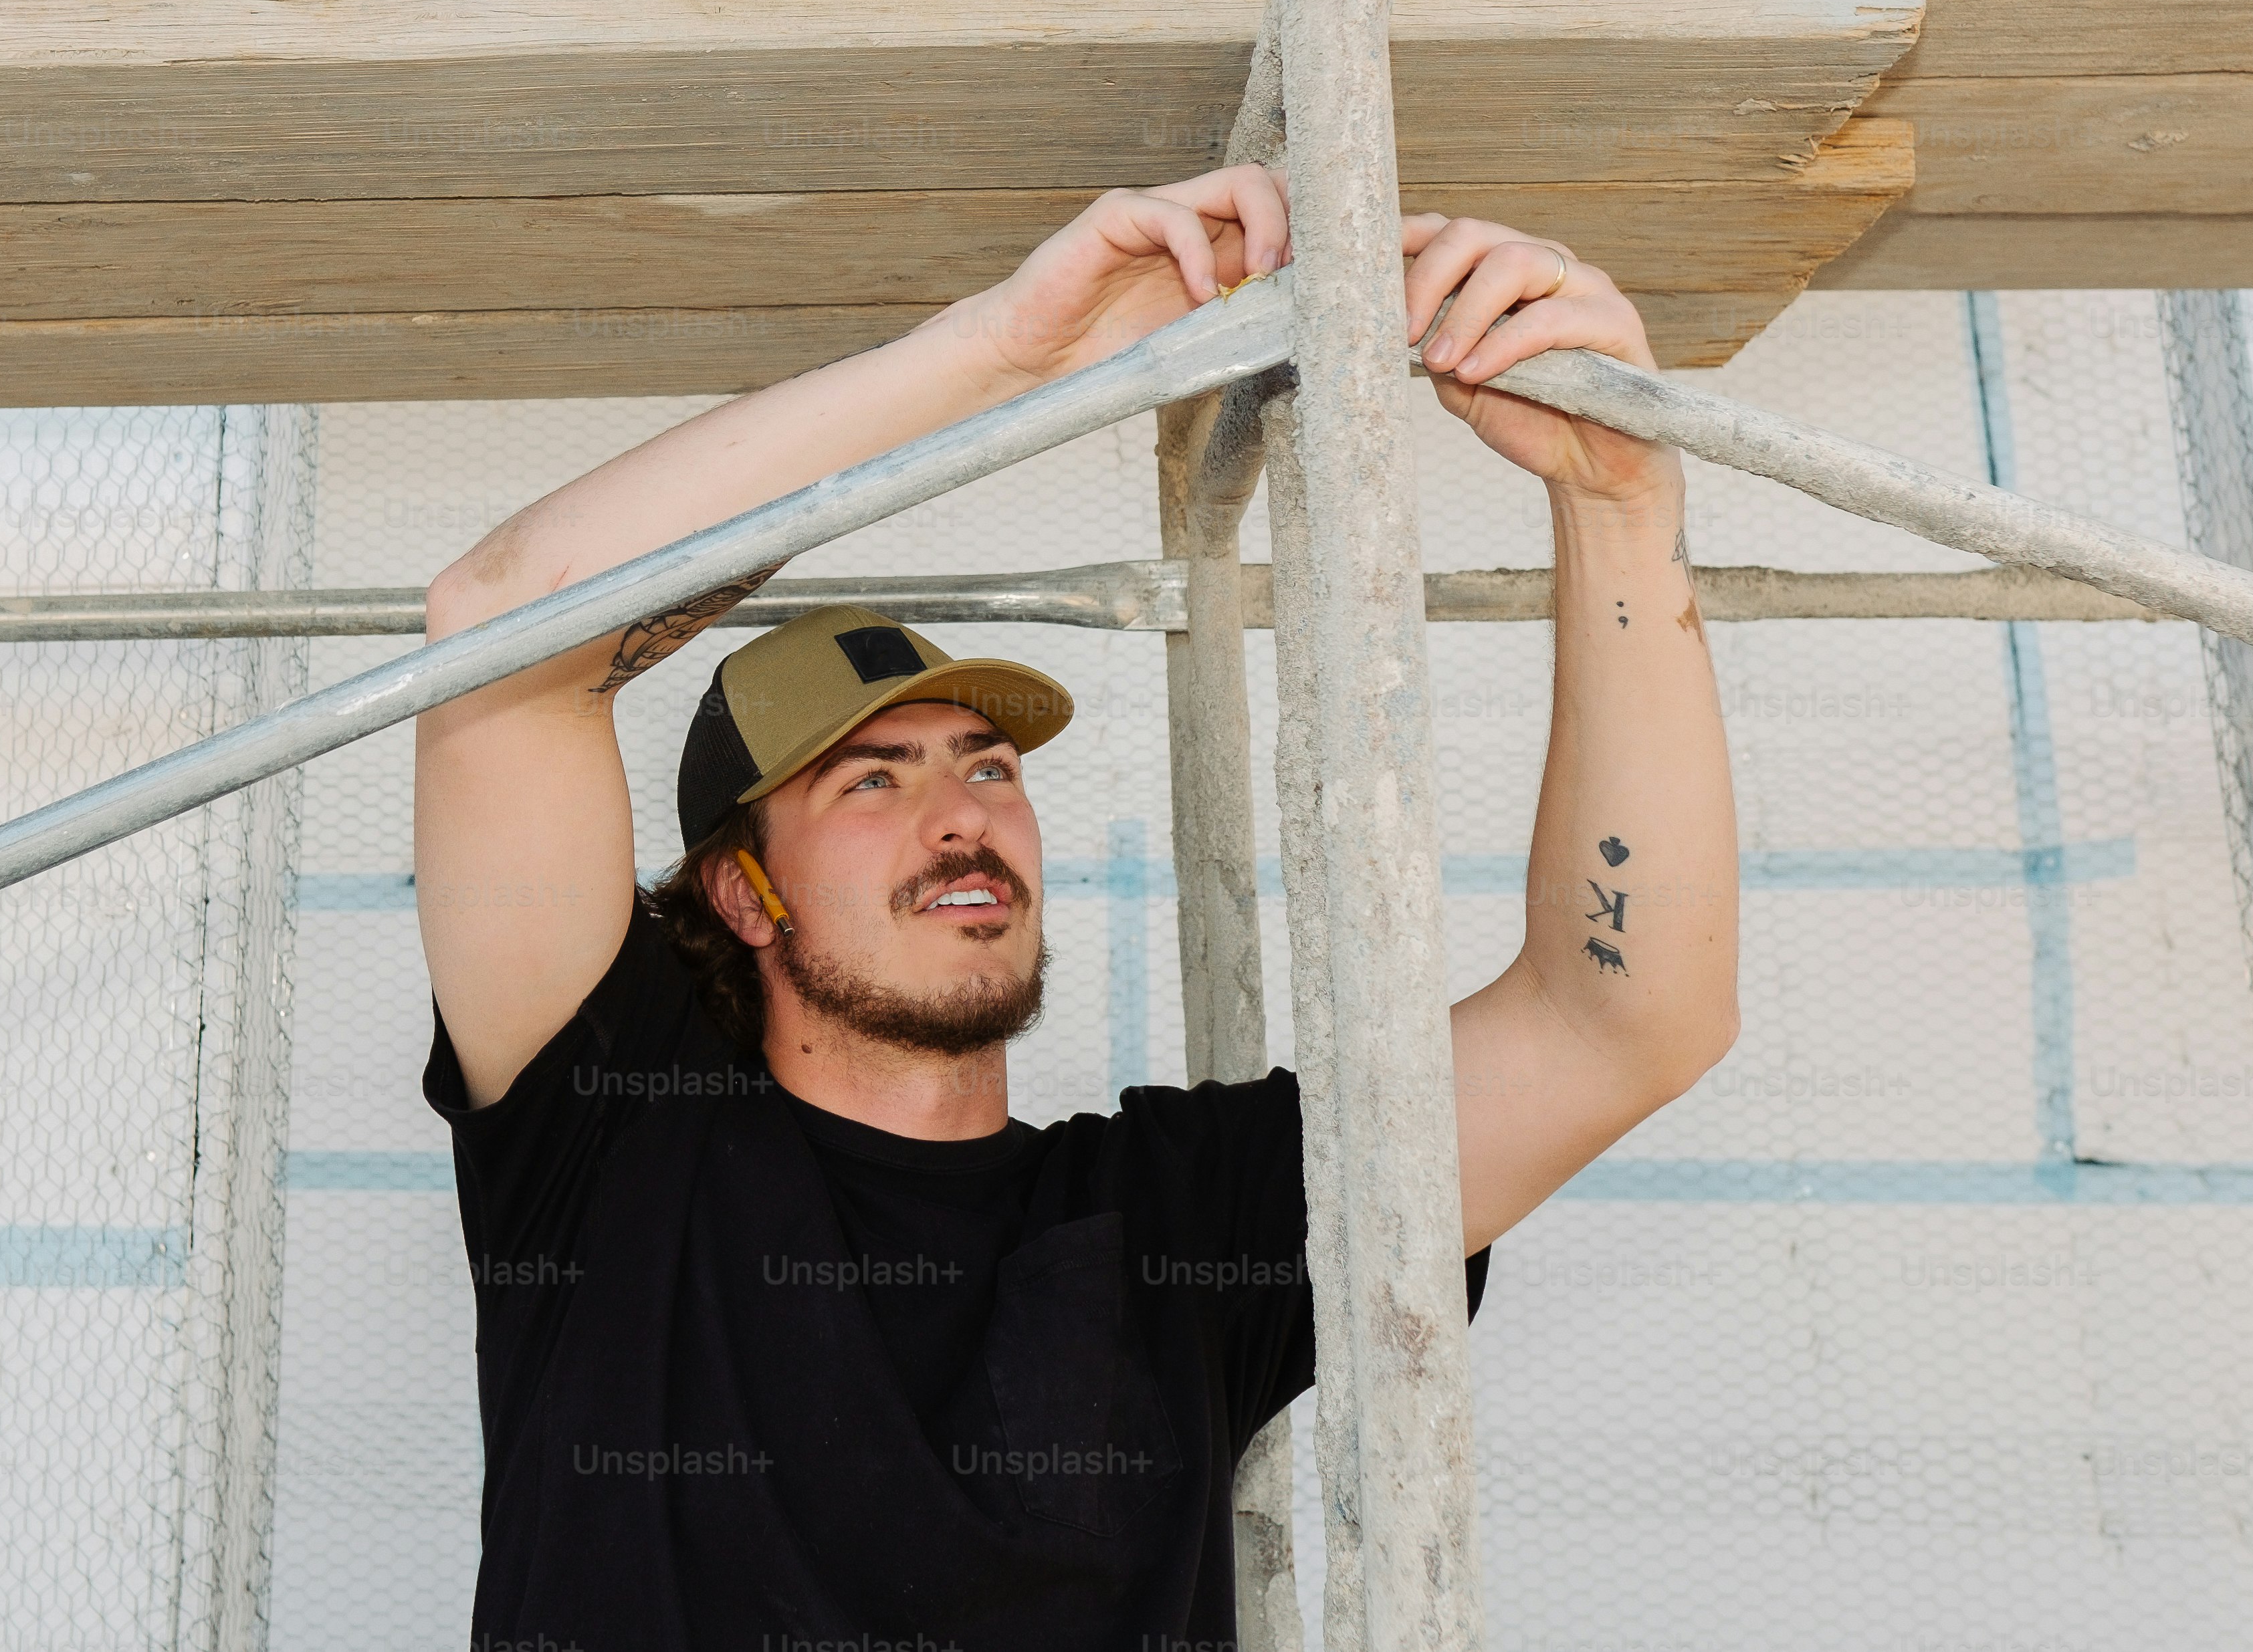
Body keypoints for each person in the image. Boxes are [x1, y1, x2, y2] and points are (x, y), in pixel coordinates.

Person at [415, 164, 1738, 1651]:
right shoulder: (616, 1156)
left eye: (986, 764)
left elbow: (1620, 1021)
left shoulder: (1175, 1219)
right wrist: (1011, 361)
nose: (963, 810)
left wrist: (1623, 504)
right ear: (742, 888)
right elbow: (498, 625)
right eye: (871, 783)